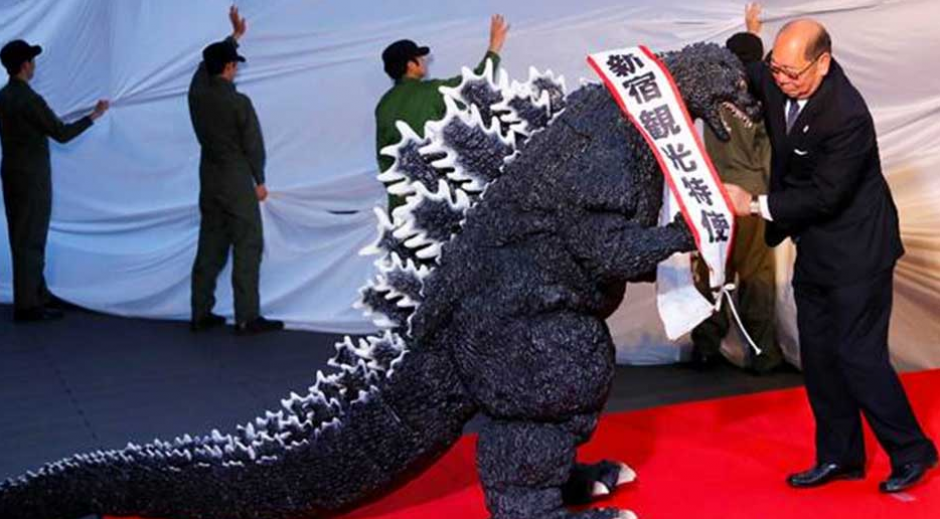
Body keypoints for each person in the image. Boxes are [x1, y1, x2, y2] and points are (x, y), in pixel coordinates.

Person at [723, 3, 937, 493]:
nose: (781, 80)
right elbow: (744, 62)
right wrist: (735, 49)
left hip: (858, 250)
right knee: (818, 357)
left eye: (792, 73)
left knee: (859, 356)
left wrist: (751, 205)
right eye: (776, 68)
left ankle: (912, 451)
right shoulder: (778, 75)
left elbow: (825, 196)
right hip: (815, 246)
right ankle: (840, 456)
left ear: (823, 63)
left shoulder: (847, 115)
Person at [691, 31, 782, 374]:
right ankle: (764, 354)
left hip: (713, 195)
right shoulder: (763, 98)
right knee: (757, 277)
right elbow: (769, 153)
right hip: (751, 196)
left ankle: (705, 347)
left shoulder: (711, 95)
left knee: (712, 273)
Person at [188, 6, 282, 336]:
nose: (235, 69)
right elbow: (253, 146)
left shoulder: (197, 95)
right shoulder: (239, 102)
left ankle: (200, 312)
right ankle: (247, 317)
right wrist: (260, 180)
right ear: (228, 67)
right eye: (233, 64)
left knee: (210, 244)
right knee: (247, 243)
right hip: (236, 178)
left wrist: (234, 37)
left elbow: (204, 66)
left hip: (208, 177)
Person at [0, 39, 109, 322]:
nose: (34, 64)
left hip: (12, 174)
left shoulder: (4, 96)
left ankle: (37, 293)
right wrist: (93, 115)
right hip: (32, 178)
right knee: (32, 239)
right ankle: (28, 306)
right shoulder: (30, 99)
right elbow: (61, 133)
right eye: (32, 60)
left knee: (21, 236)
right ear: (25, 65)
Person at [375, 14, 510, 211]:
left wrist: (398, 199)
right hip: (440, 196)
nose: (423, 60)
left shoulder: (383, 106)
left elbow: (384, 159)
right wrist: (494, 48)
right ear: (411, 65)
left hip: (405, 205)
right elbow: (473, 84)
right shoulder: (432, 91)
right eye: (419, 57)